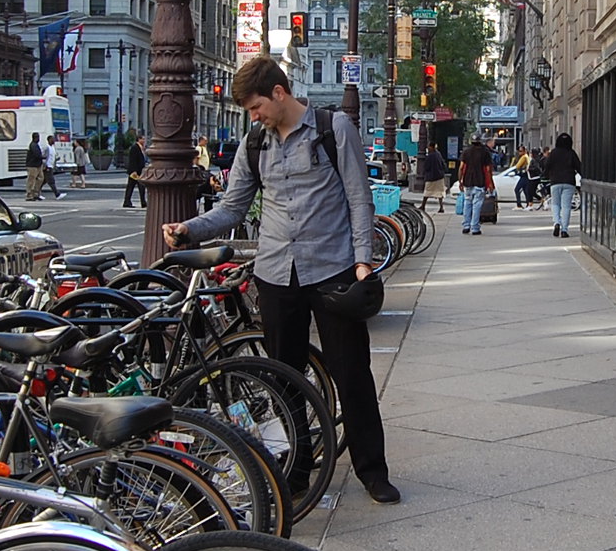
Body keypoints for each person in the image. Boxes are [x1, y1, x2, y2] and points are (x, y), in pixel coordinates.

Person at [165, 56, 398, 504]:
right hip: (275, 274)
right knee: (284, 378)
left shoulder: (333, 128)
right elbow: (233, 207)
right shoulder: (255, 143)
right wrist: (188, 229)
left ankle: (373, 471)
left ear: (278, 92)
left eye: (256, 107)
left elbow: (358, 198)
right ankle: (297, 470)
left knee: (352, 374)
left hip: (333, 271)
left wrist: (363, 262)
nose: (254, 117)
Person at [544, 132, 582, 238]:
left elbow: (547, 166)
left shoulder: (553, 153)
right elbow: (579, 167)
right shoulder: (571, 153)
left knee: (555, 204)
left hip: (555, 182)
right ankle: (564, 230)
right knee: (566, 206)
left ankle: (557, 222)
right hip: (569, 182)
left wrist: (546, 176)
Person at [458, 134, 493, 235]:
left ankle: (466, 225)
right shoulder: (485, 152)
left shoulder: (466, 152)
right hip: (480, 181)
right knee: (477, 205)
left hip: (467, 181)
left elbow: (461, 168)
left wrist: (460, 181)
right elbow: (488, 169)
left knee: (467, 202)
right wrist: (490, 183)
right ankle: (475, 227)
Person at [417, 143, 448, 214]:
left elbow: (426, 167)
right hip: (439, 177)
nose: (428, 148)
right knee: (440, 192)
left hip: (431, 177)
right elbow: (443, 164)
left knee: (427, 191)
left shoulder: (430, 156)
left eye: (429, 147)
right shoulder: (438, 154)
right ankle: (441, 207)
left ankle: (423, 205)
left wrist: (425, 173)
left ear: (432, 147)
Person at [122, 133, 147, 209]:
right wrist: (134, 171)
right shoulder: (135, 148)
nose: (144, 140)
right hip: (135, 172)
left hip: (138, 171)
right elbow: (133, 160)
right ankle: (141, 202)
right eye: (143, 139)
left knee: (133, 186)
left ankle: (128, 201)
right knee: (138, 186)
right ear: (139, 139)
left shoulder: (141, 148)